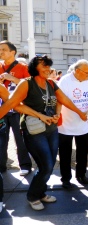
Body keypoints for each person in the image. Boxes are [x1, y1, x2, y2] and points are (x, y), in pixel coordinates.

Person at [0, 55, 87, 211]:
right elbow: (12, 103)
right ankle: (32, 196)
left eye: (49, 66)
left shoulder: (51, 84)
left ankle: (40, 192)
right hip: (34, 130)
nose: (47, 69)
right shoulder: (26, 84)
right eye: (44, 66)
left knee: (47, 164)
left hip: (51, 130)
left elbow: (64, 99)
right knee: (46, 165)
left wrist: (77, 112)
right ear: (34, 68)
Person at [58, 59, 88, 189]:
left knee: (82, 152)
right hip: (66, 125)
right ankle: (65, 178)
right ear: (77, 71)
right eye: (87, 72)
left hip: (82, 125)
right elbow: (60, 100)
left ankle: (81, 174)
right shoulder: (65, 81)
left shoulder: (87, 81)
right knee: (65, 154)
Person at [0, 40, 32, 176]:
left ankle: (25, 165)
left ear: (12, 52)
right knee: (1, 139)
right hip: (2, 109)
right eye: (0, 50)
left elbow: (30, 86)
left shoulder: (23, 67)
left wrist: (12, 79)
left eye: (3, 50)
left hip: (17, 109)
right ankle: (1, 166)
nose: (1, 52)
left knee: (20, 138)